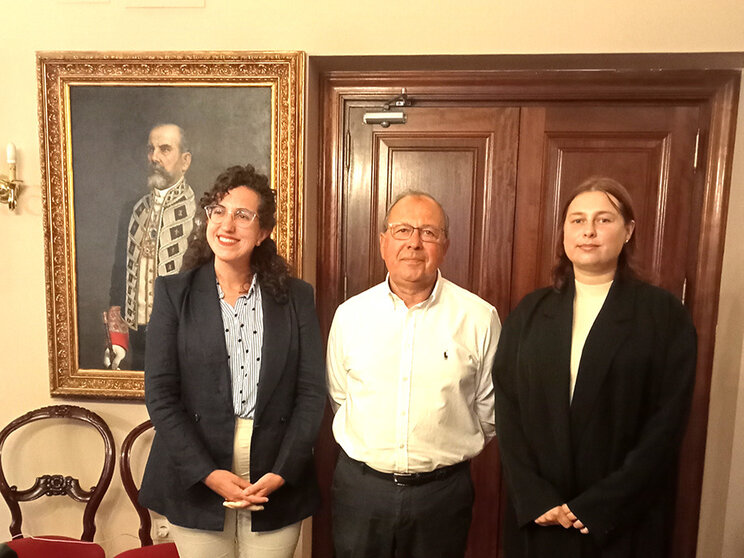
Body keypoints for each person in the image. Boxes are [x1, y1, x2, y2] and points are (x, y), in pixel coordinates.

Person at [493, 176, 697, 557]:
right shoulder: (530, 312)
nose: (588, 231)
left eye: (603, 220)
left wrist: (600, 505)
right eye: (577, 220)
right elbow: (507, 409)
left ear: (628, 230)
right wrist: (535, 496)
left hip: (622, 521)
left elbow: (665, 428)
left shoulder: (663, 315)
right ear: (564, 232)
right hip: (541, 517)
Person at [139, 164, 325, 558]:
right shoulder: (175, 294)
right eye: (218, 211)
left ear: (263, 232)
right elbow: (160, 394)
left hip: (276, 470)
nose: (227, 224)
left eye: (243, 215)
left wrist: (282, 472)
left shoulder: (296, 298)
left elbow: (311, 394)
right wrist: (207, 473)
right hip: (196, 469)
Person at [327, 191, 501, 558]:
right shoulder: (350, 316)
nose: (414, 243)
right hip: (361, 492)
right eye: (402, 230)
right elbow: (340, 395)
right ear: (383, 243)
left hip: (442, 494)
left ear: (445, 245)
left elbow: (489, 408)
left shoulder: (479, 318)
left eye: (428, 232)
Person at [105, 123, 197, 370]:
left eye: (165, 149)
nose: (154, 157)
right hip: (137, 340)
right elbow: (119, 276)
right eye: (151, 149)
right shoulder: (132, 210)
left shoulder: (201, 214)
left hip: (185, 343)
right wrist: (118, 340)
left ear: (185, 160)